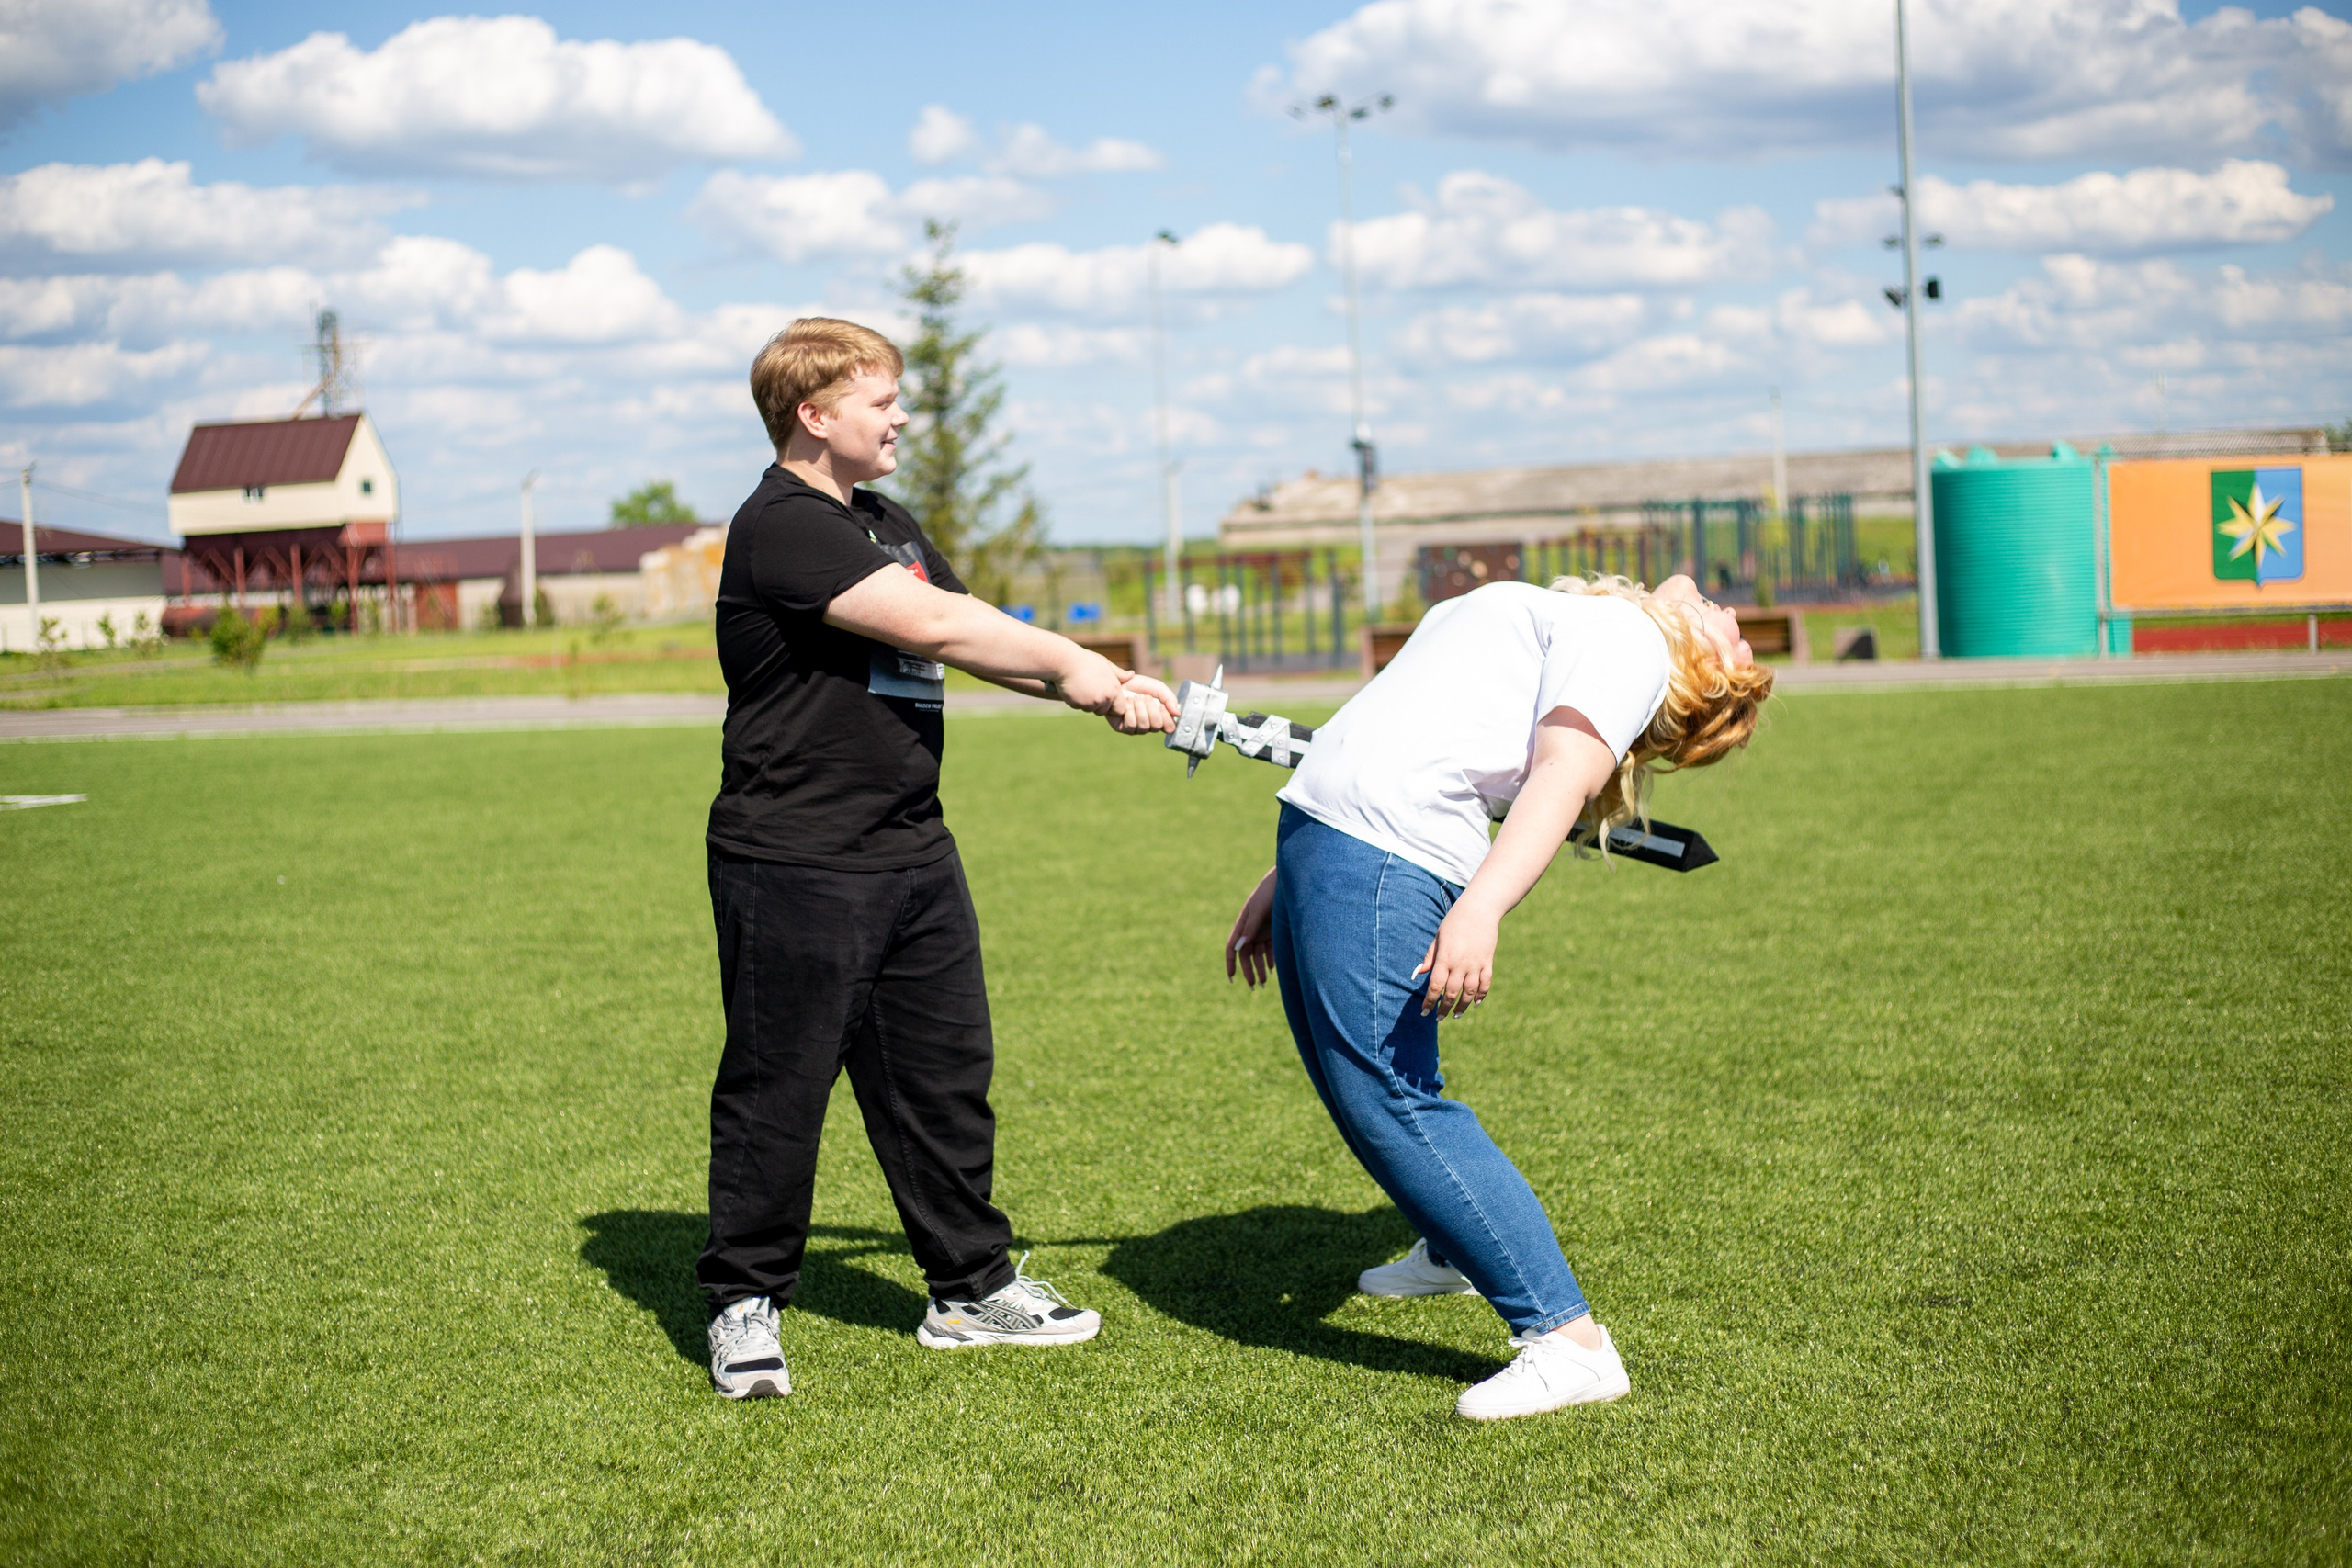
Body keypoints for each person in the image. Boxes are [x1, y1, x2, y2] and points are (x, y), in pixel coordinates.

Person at [701, 317, 1177, 1400]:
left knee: (943, 1078)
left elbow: (963, 623)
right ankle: (743, 1300)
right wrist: (1082, 664)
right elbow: (934, 628)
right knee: (780, 1089)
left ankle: (968, 1289)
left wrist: (1089, 689)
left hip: (911, 847)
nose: (901, 418)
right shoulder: (783, 526)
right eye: (881, 402)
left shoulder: (883, 521)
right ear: (814, 415)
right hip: (796, 861)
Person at [1223, 571, 1771, 1421]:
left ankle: (1569, 1341)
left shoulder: (1634, 644)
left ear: (1702, 675)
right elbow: (1410, 725)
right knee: (1361, 1088)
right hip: (1337, 840)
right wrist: (1291, 870)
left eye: (1736, 638)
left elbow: (1560, 777)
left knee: (1392, 1096)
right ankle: (1456, 1248)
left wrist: (1481, 908)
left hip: (1386, 852)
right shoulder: (1590, 623)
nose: (1729, 609)